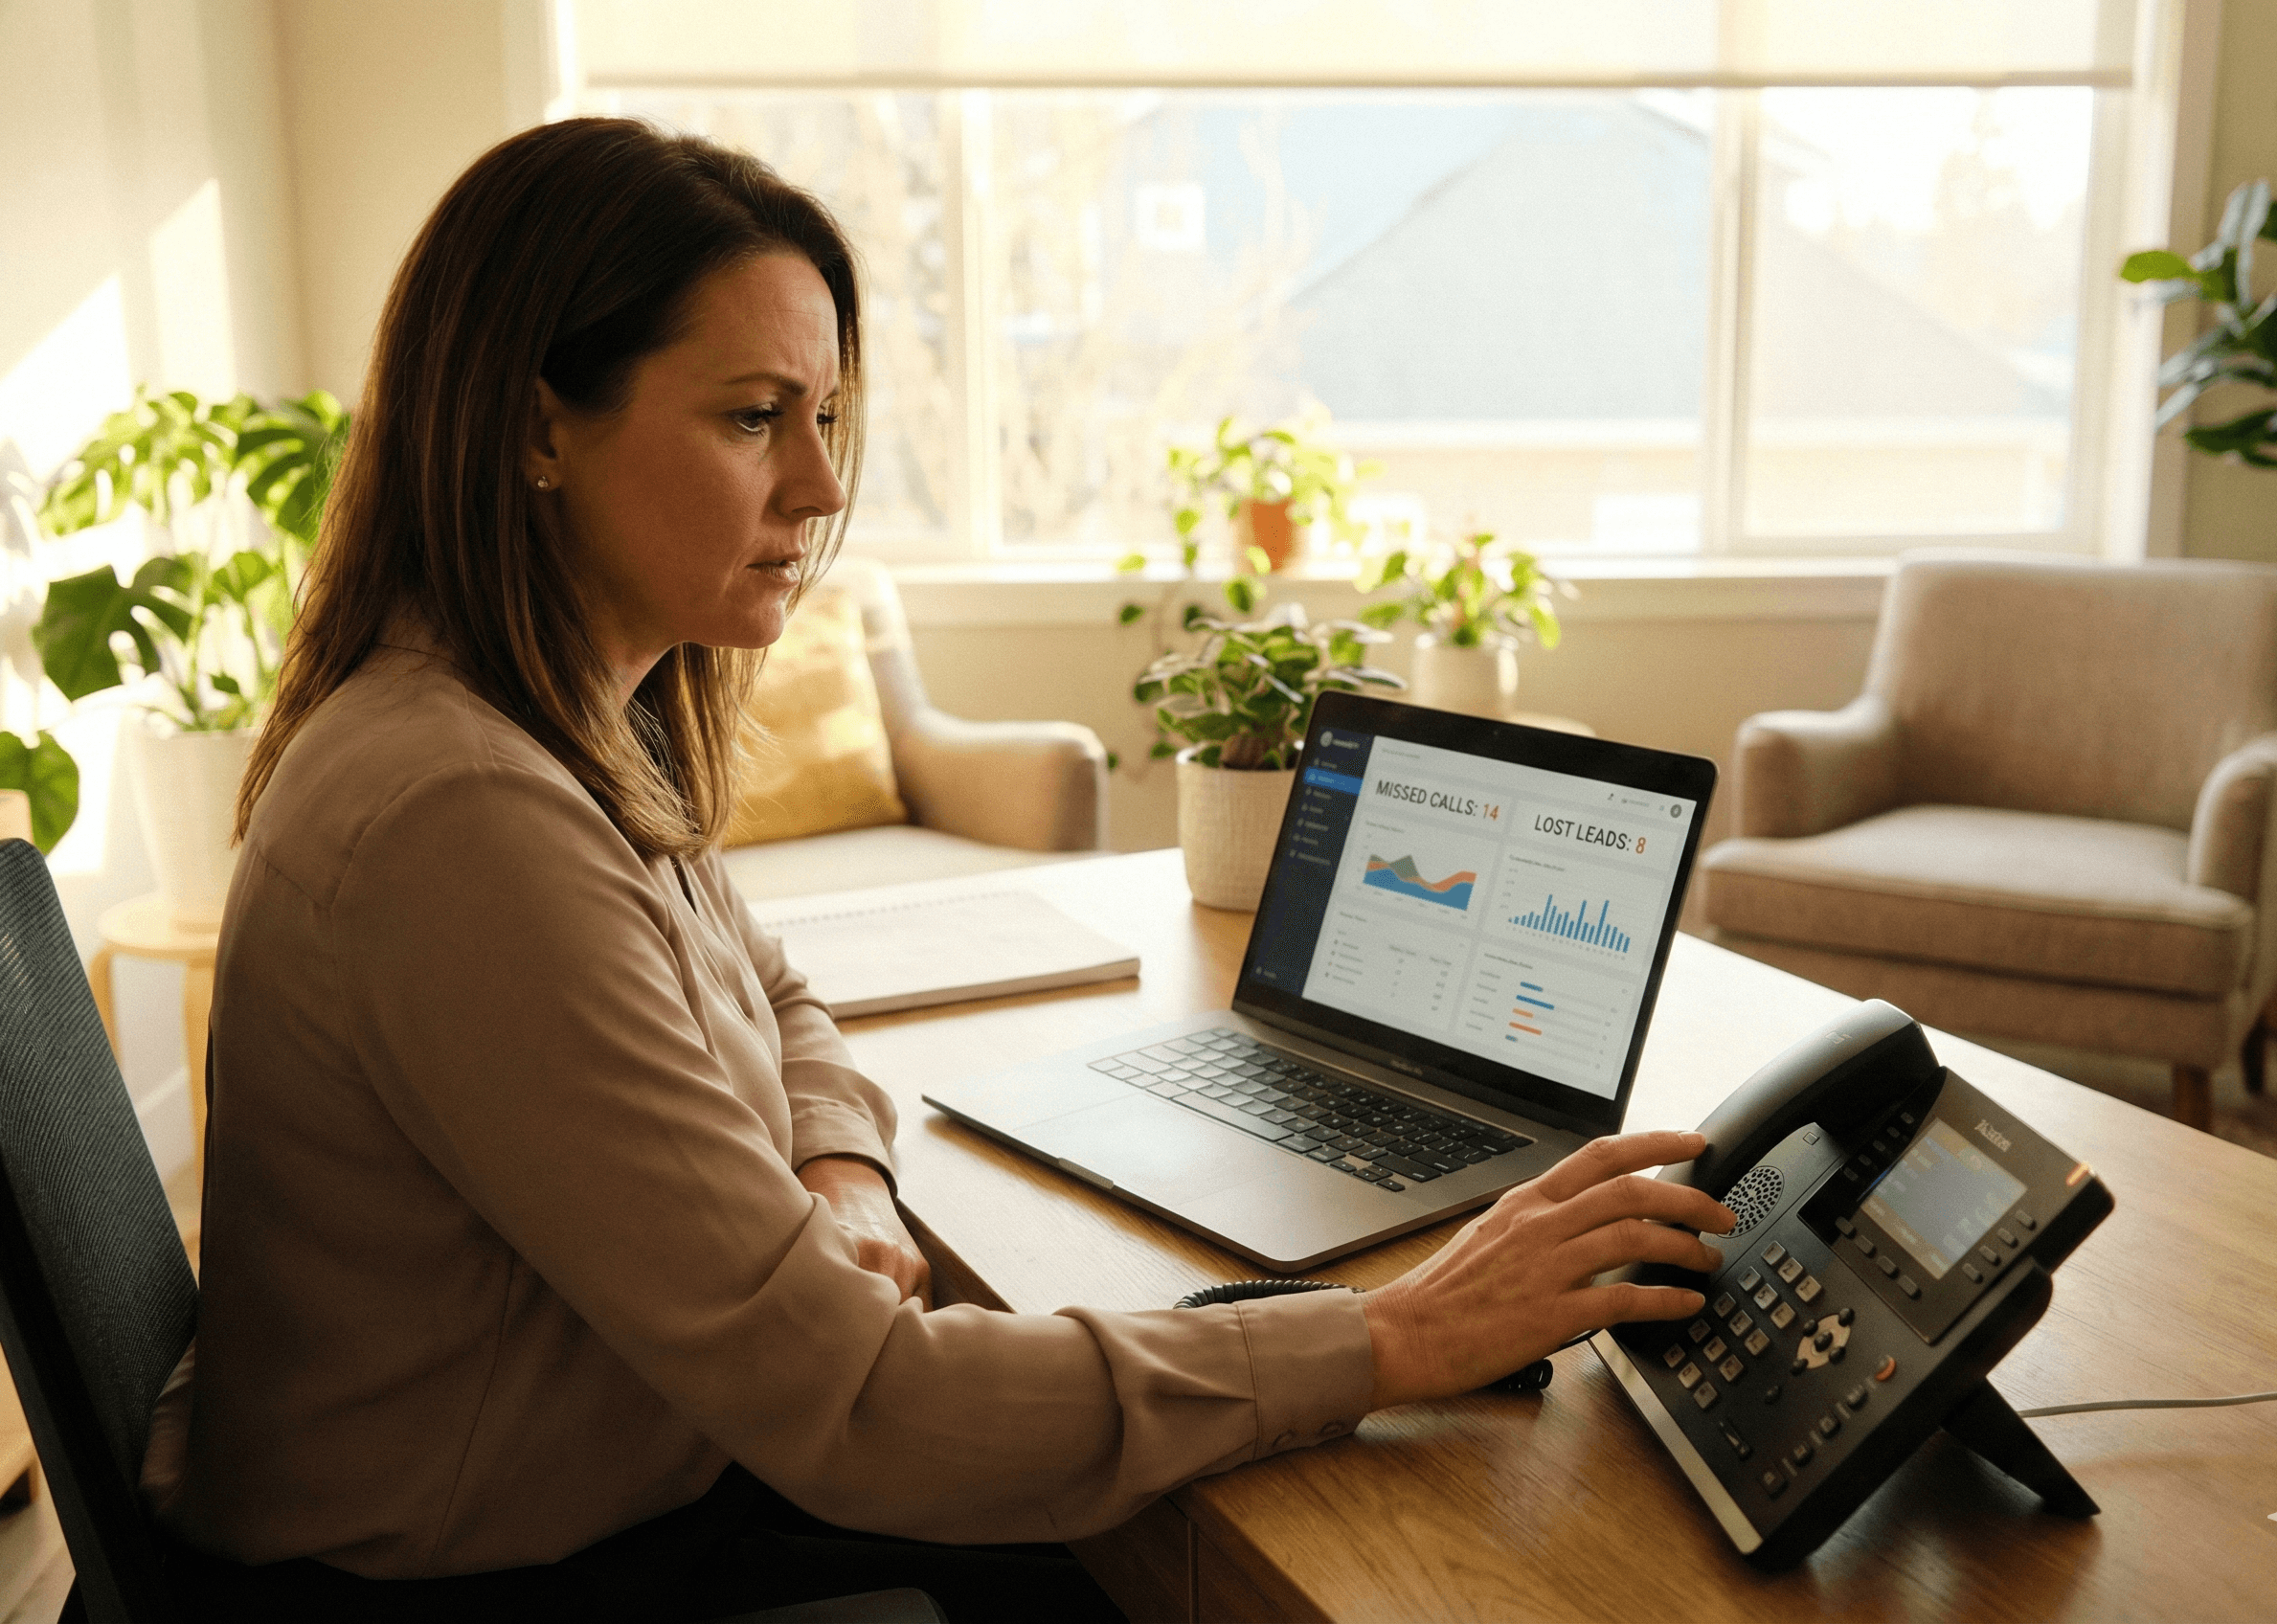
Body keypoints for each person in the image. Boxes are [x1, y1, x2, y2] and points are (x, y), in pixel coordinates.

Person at [138, 118, 1735, 1622]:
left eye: (824, 418)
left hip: (581, 1484)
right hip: (468, 1584)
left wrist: (837, 1169)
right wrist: (1404, 1333)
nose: (823, 487)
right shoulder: (463, 820)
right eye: (754, 417)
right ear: (539, 426)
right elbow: (873, 1414)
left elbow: (769, 985)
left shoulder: (547, 725)